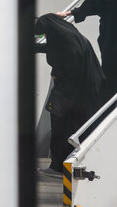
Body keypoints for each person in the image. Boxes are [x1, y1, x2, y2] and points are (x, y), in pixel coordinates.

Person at [34, 13, 104, 178]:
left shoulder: (67, 42)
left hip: (68, 92)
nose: (46, 37)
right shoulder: (70, 36)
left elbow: (70, 56)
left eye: (45, 33)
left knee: (59, 125)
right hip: (79, 92)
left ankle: (58, 167)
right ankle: (62, 164)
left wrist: (56, 71)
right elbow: (58, 49)